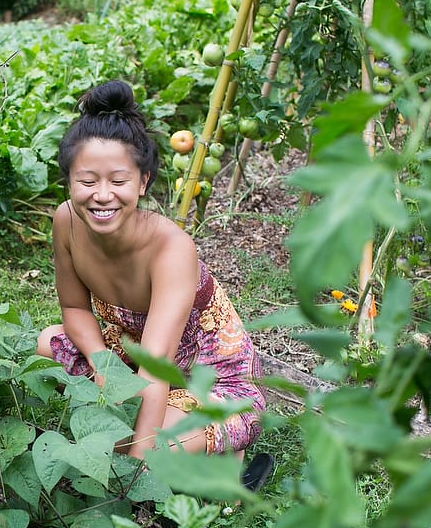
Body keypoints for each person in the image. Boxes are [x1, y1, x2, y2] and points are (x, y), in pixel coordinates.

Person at [36, 79, 272, 482]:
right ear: (69, 182)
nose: (102, 195)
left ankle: (223, 454)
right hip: (130, 357)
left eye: (119, 181)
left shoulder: (172, 249)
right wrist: (104, 364)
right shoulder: (66, 220)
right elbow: (74, 308)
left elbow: (156, 369)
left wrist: (134, 471)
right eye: (87, 181)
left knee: (137, 446)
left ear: (143, 183)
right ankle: (195, 454)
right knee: (47, 345)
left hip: (208, 376)